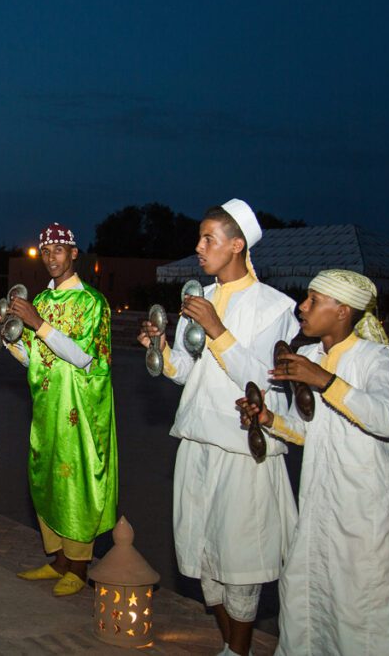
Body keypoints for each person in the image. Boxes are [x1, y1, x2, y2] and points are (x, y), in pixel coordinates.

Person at [138, 199, 299, 656]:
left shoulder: (275, 308)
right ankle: (233, 646)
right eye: (201, 236)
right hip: (197, 440)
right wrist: (162, 350)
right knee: (205, 555)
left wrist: (219, 331)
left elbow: (269, 384)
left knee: (240, 560)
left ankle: (238, 650)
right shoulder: (201, 299)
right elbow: (191, 373)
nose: (199, 246)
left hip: (242, 448)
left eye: (209, 238)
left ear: (237, 244)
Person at [237, 270, 389, 655]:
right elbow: (313, 433)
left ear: (343, 310)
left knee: (361, 614)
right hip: (317, 507)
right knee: (304, 603)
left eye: (314, 301)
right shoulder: (311, 356)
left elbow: (387, 420)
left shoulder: (375, 359)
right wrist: (269, 420)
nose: (303, 307)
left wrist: (325, 381)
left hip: (364, 514)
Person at [0, 223, 117, 597]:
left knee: (75, 482)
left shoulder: (93, 302)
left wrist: (37, 323)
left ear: (74, 254)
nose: (51, 258)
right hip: (46, 407)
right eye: (45, 252)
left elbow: (83, 358)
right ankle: (58, 560)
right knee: (45, 478)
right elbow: (34, 359)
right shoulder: (42, 303)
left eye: (59, 251)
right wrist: (9, 338)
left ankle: (79, 567)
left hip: (79, 409)